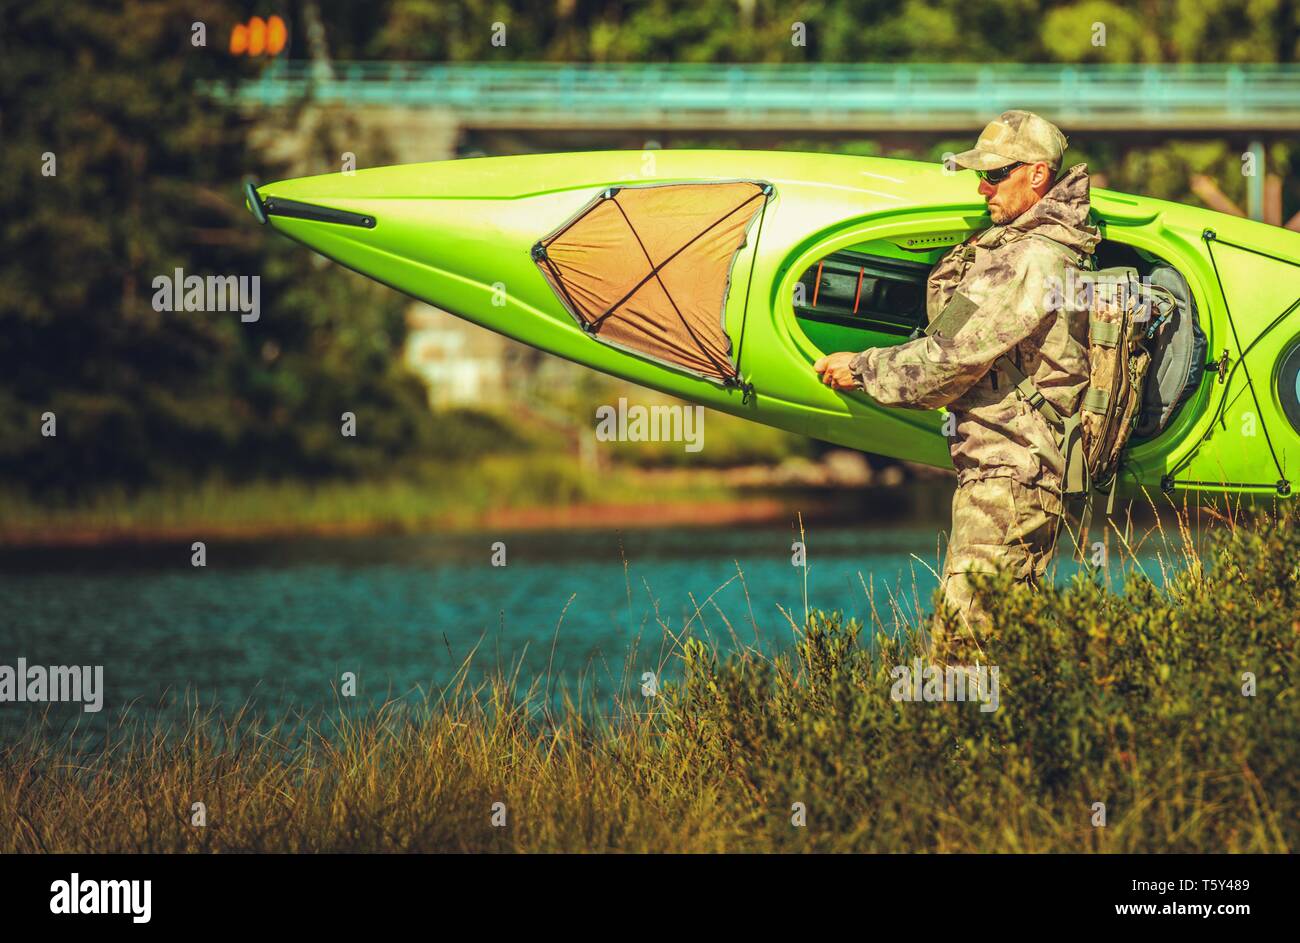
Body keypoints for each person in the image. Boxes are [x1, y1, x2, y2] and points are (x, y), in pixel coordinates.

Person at [813, 110, 1101, 660]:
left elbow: (945, 360)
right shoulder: (1024, 249)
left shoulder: (1029, 259)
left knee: (961, 651)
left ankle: (962, 746)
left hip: (1011, 477)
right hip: (1016, 476)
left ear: (1037, 176)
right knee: (998, 649)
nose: (982, 186)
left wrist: (863, 368)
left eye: (995, 174)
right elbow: (958, 334)